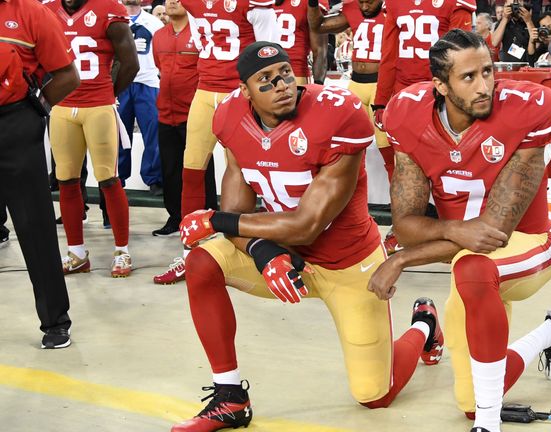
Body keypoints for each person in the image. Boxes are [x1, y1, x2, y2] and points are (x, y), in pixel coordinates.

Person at [171, 41, 443, 432]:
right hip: (284, 256)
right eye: (265, 80)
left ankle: (424, 325)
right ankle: (230, 396)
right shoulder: (230, 117)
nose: (281, 84)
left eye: (284, 73)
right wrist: (264, 253)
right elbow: (238, 214)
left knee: (374, 395)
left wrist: (215, 220)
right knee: (202, 262)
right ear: (245, 92)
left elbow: (306, 224)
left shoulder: (337, 114)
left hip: (347, 263)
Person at [370, 29, 551, 432]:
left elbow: (493, 232)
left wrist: (404, 259)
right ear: (440, 85)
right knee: (468, 397)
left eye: (488, 71)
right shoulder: (407, 114)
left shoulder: (528, 108)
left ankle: (487, 424)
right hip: (466, 255)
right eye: (468, 77)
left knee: (473, 269)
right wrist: (451, 231)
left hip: (529, 243)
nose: (485, 87)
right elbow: (408, 225)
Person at [159, 0, 277, 284]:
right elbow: (201, 41)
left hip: (236, 92)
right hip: (204, 89)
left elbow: (268, 52)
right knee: (192, 168)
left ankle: (250, 247)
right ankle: (190, 253)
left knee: (243, 172)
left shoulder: (252, 5)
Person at [0, 0, 81, 348]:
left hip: (14, 124)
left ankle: (55, 321)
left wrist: (36, 112)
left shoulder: (30, 12)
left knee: (35, 227)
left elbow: (66, 75)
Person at [372, 0, 476, 254]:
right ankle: (405, 228)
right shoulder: (395, 4)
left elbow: (463, 52)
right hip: (406, 96)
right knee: (404, 165)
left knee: (455, 161)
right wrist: (381, 101)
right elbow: (390, 54)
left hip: (441, 92)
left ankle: (460, 224)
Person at [46, 0, 139, 277]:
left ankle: (122, 250)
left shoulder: (108, 8)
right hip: (63, 108)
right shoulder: (48, 10)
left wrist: (107, 95)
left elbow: (131, 63)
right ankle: (76, 252)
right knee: (66, 179)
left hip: (98, 105)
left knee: (108, 179)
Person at [150, 0, 217, 246]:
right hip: (166, 113)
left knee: (200, 167)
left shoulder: (200, 34)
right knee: (170, 168)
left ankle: (206, 217)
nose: (172, 2)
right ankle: (175, 217)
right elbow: (160, 67)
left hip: (193, 112)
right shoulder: (159, 36)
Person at [307, 0, 394, 177]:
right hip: (355, 83)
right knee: (351, 148)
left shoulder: (394, 8)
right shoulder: (352, 7)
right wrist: (313, 3)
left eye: (368, 2)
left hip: (382, 85)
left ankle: (401, 202)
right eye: (360, 2)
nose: (364, 7)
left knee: (387, 148)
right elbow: (317, 25)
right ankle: (353, 196)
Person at [117, 0, 165, 195]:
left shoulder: (155, 23)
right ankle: (118, 177)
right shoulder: (113, 18)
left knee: (153, 131)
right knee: (119, 133)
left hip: (148, 81)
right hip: (121, 82)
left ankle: (154, 178)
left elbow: (161, 53)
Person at [274, 0, 328, 85]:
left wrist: (318, 85)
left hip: (295, 73)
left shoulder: (309, 3)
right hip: (266, 71)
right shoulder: (262, 2)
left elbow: (319, 50)